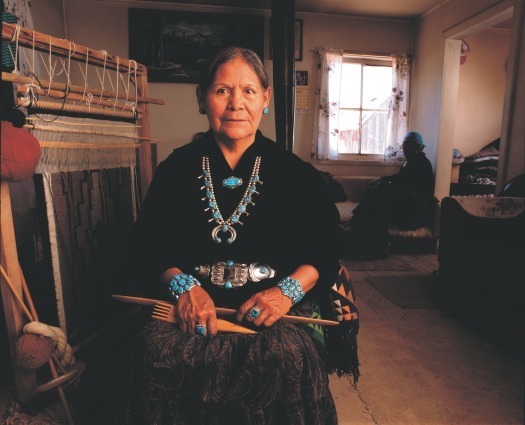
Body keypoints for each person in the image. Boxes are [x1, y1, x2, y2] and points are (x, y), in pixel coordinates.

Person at [121, 47, 357, 424]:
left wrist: (285, 293)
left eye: (248, 91)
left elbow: (326, 248)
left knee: (287, 359)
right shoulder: (176, 168)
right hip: (190, 311)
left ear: (265, 99)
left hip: (272, 314)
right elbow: (147, 244)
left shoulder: (295, 174)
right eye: (221, 91)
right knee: (152, 354)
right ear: (202, 99)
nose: (236, 104)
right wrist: (184, 288)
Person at [346, 131, 435, 260]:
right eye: (404, 146)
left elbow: (405, 183)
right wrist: (381, 179)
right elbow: (400, 179)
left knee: (382, 194)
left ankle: (357, 226)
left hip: (416, 208)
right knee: (380, 205)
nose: (404, 149)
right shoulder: (411, 161)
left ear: (417, 147)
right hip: (409, 202)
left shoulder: (421, 163)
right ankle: (375, 246)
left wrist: (383, 182)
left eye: (407, 146)